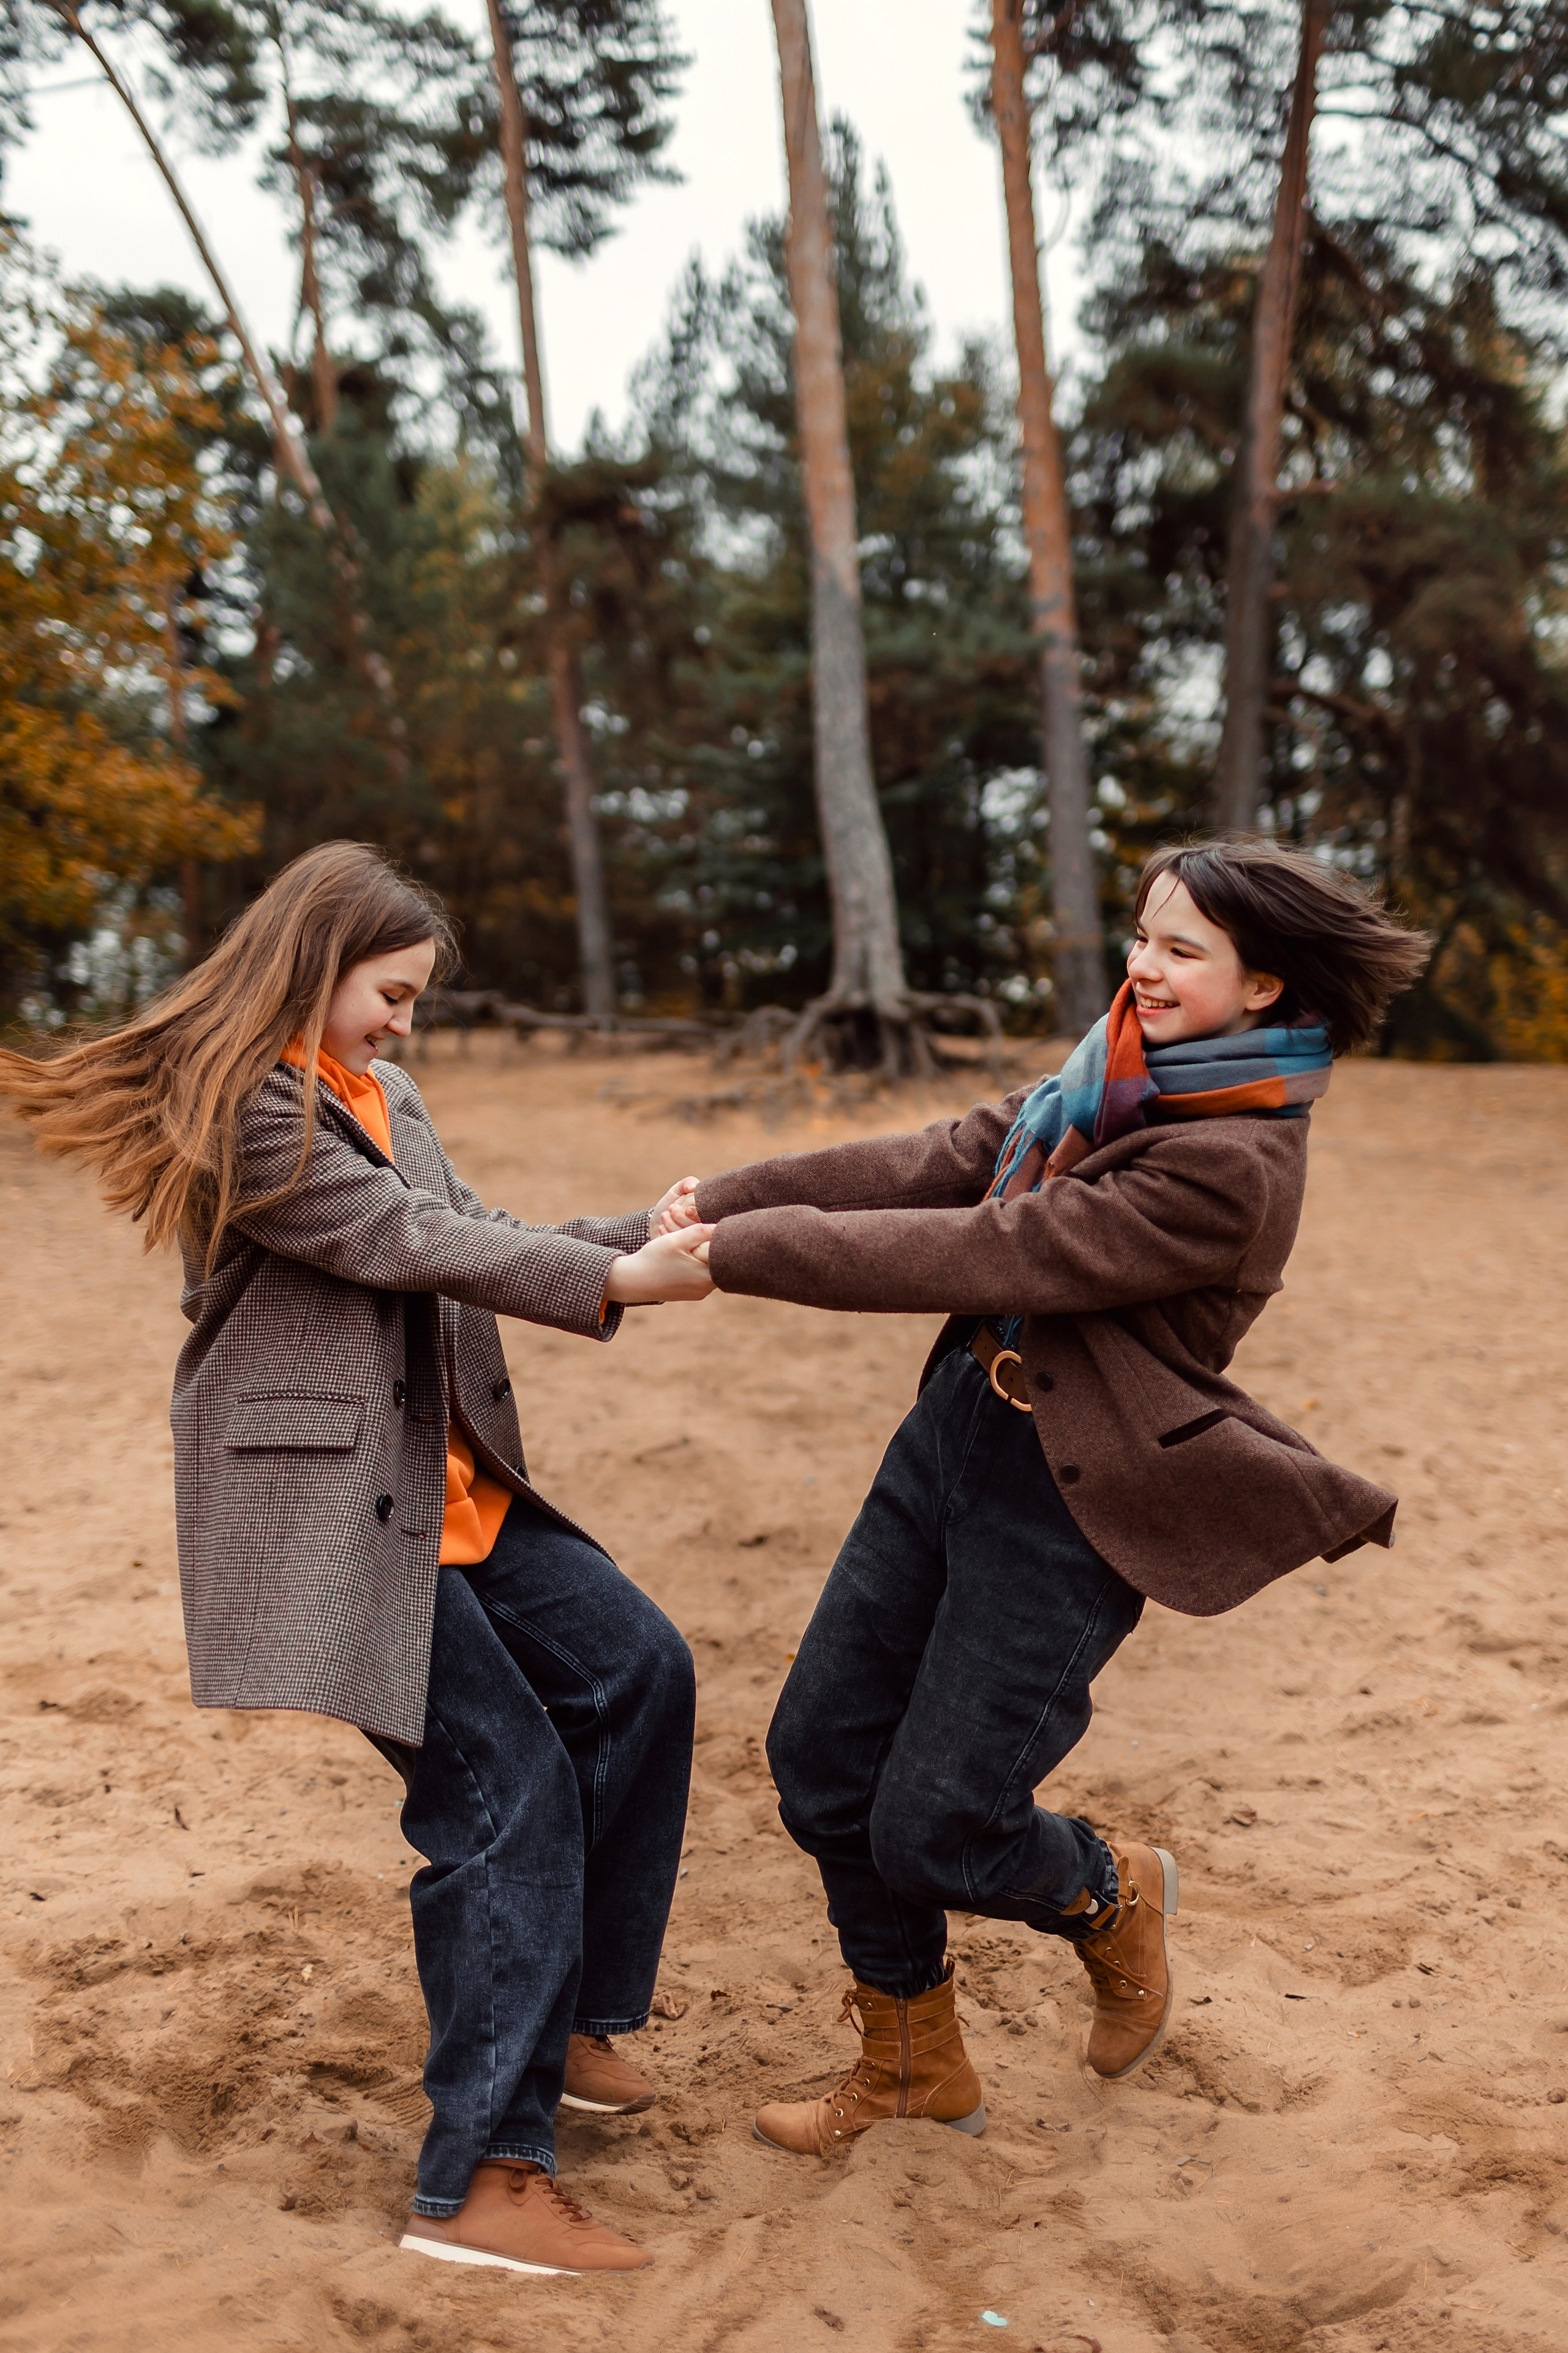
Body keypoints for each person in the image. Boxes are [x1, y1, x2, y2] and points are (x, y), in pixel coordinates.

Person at [0, 841, 717, 2276]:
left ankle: (568, 2018)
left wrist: (630, 1238)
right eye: (389, 993)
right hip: (336, 1512)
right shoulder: (246, 1109)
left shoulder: (381, 1093)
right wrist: (610, 1280)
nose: (403, 1022)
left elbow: (467, 1232)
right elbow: (395, 1240)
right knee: (504, 1795)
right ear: (313, 963)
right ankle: (480, 2182)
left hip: (450, 1490)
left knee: (639, 1668)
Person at [660, 838, 1429, 2156]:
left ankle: (1105, 1891)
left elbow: (995, 1241)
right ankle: (909, 2061)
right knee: (818, 1759)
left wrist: (736, 1255)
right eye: (1140, 935)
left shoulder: (1229, 1161)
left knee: (939, 1824)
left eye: (1179, 949)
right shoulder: (1116, 1074)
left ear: (1264, 986)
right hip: (958, 1425)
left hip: (1075, 1497)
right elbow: (951, 1156)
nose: (1140, 966)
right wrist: (720, 1195)